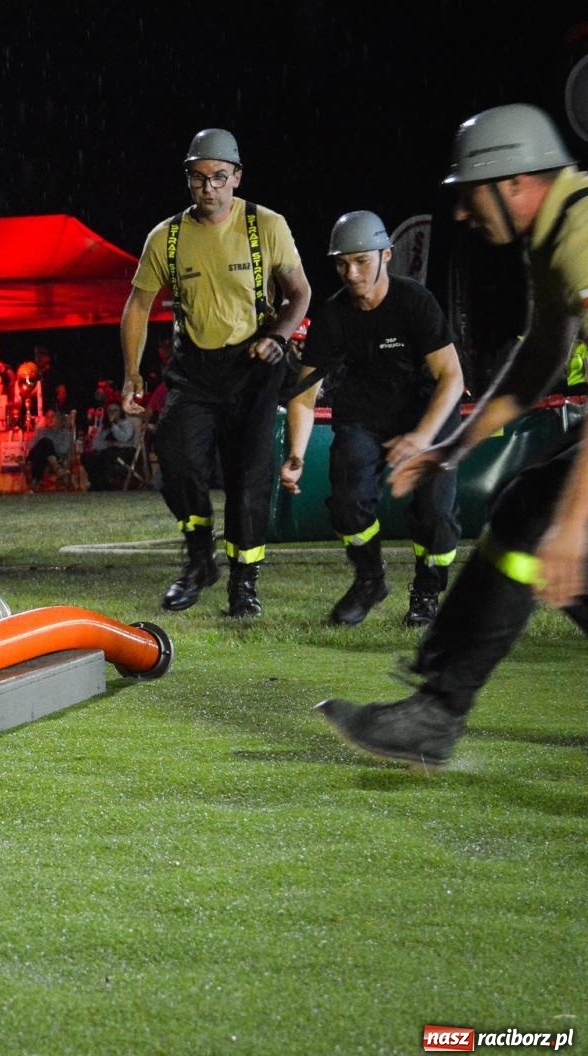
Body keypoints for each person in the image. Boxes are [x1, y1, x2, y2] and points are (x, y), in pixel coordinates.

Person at [320, 103, 588, 767]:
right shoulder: (555, 235)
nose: (463, 215)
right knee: (530, 512)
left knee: (547, 519)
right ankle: (436, 712)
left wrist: (576, 524)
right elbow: (538, 362)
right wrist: (454, 446)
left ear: (515, 182)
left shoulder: (582, 227)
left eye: (470, 196)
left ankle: (435, 714)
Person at [120, 127, 312, 617]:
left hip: (253, 365)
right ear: (188, 179)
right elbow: (138, 306)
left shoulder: (265, 225)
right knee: (177, 458)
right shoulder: (166, 237)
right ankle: (199, 559)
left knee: (249, 477)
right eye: (199, 178)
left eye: (219, 178)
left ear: (237, 177)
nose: (210, 188)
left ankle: (244, 583)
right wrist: (132, 373)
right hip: (194, 369)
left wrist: (277, 337)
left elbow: (299, 294)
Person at [281, 210, 466, 627]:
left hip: (428, 412)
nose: (351, 272)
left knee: (436, 511)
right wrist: (295, 455)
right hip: (365, 415)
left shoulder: (416, 301)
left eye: (361, 260)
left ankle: (427, 589)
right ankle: (369, 580)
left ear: (387, 254)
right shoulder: (332, 315)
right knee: (347, 503)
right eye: (341, 262)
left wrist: (422, 437)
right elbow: (304, 396)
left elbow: (452, 378)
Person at [82, 402, 137, 491]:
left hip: (124, 453)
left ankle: (104, 486)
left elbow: (124, 439)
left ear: (120, 412)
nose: (112, 412)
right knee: (87, 456)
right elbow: (96, 443)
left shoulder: (126, 424)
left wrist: (113, 425)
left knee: (107, 455)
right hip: (108, 451)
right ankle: (98, 485)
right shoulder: (104, 426)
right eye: (110, 410)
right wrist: (109, 444)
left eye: (115, 410)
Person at [24, 408, 75, 491]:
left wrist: (50, 445)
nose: (49, 419)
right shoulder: (41, 431)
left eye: (52, 417)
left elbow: (64, 449)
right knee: (44, 443)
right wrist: (43, 442)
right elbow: (31, 446)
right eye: (47, 417)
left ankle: (35, 481)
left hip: (49, 457)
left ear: (59, 418)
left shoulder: (65, 433)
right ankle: (57, 468)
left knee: (45, 444)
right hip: (38, 455)